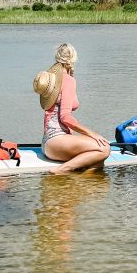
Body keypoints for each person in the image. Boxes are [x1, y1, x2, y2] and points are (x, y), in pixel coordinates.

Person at [33, 43, 110, 174]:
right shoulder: (67, 80)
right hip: (57, 142)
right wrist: (92, 134)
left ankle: (73, 187)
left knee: (97, 162)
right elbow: (65, 117)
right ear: (73, 58)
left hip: (47, 144)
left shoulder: (52, 79)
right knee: (104, 149)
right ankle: (61, 170)